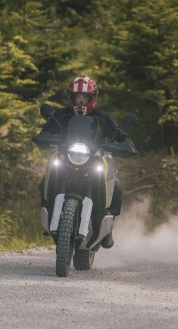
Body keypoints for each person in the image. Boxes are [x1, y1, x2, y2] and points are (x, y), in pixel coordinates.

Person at [37, 75, 136, 249]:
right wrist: (45, 137)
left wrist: (122, 145)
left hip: (95, 159)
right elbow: (45, 132)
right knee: (45, 180)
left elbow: (122, 137)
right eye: (77, 96)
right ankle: (51, 214)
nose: (80, 100)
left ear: (92, 97)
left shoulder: (102, 118)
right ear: (71, 97)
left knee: (116, 185)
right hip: (66, 159)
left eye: (84, 97)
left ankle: (108, 229)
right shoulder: (61, 115)